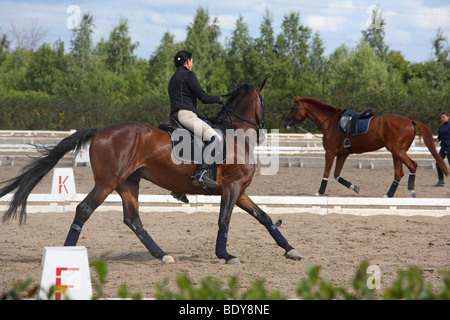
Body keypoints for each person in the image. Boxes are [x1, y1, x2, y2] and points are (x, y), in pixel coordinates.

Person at [168, 50, 223, 188]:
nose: (192, 64)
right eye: (192, 61)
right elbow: (203, 97)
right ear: (188, 61)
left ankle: (179, 187)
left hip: (174, 116)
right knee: (215, 137)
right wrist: (219, 99)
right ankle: (201, 172)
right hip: (186, 115)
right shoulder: (188, 75)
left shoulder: (173, 78)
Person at [433, 111, 450, 187]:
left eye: (444, 117)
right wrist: (433, 139)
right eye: (441, 117)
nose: (442, 119)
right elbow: (439, 139)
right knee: (438, 163)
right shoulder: (441, 127)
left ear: (448, 117)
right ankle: (441, 181)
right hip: (443, 147)